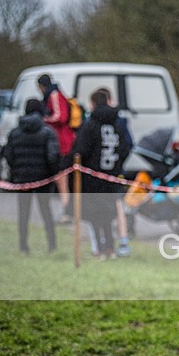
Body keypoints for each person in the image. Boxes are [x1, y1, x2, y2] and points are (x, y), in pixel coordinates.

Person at [70, 89, 132, 259]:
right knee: (108, 213)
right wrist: (117, 166)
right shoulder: (118, 123)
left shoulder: (90, 125)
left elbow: (80, 150)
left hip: (92, 178)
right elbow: (126, 146)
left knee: (94, 214)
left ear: (93, 103)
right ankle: (110, 247)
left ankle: (99, 248)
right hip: (112, 176)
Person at [2, 99, 59, 254]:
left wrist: (16, 172)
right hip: (43, 179)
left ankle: (23, 246)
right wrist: (52, 174)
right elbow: (53, 156)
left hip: (22, 179)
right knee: (46, 211)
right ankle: (52, 245)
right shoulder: (47, 132)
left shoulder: (15, 132)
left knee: (23, 213)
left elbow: (8, 154)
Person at [38, 74, 76, 225]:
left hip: (63, 142)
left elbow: (61, 116)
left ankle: (67, 211)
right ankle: (67, 210)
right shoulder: (54, 94)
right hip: (61, 141)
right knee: (63, 179)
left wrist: (44, 119)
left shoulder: (54, 95)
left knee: (62, 179)